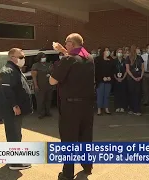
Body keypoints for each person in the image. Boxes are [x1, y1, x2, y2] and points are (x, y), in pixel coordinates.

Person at [50, 33, 94, 179]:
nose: (65, 44)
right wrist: (64, 52)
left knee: (69, 140)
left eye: (66, 42)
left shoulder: (68, 60)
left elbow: (52, 81)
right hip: (87, 105)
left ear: (72, 44)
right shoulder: (89, 58)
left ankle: (68, 173)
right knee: (85, 136)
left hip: (70, 106)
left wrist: (62, 57)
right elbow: (76, 59)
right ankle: (87, 166)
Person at [0, 48, 33, 170]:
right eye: (21, 57)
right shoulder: (8, 71)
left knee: (16, 134)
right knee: (14, 135)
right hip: (11, 110)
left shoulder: (14, 69)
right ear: (12, 57)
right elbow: (7, 90)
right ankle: (15, 163)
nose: (23, 59)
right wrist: (14, 105)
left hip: (14, 110)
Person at [31, 52, 54, 119]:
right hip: (40, 85)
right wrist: (36, 85)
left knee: (48, 99)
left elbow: (53, 72)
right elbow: (34, 76)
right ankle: (41, 113)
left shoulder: (49, 64)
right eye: (42, 57)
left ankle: (48, 112)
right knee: (40, 100)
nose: (44, 58)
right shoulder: (35, 65)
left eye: (45, 57)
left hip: (49, 85)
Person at [126, 45, 144, 116]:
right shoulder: (128, 58)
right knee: (131, 93)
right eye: (137, 49)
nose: (138, 50)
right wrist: (133, 77)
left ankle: (137, 109)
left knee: (138, 94)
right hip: (131, 79)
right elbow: (127, 69)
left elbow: (142, 68)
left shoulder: (140, 58)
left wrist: (141, 76)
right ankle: (131, 108)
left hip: (139, 77)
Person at [95, 48, 114, 115]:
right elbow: (97, 71)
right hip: (100, 81)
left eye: (108, 50)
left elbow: (113, 70)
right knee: (100, 95)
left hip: (108, 80)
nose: (108, 52)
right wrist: (102, 77)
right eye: (106, 50)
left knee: (107, 95)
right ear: (103, 52)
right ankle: (99, 109)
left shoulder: (111, 60)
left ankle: (106, 108)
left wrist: (110, 77)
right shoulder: (98, 60)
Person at [113, 48, 128, 113]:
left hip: (123, 79)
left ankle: (122, 106)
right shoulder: (114, 61)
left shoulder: (125, 61)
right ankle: (117, 106)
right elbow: (112, 71)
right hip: (116, 79)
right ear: (116, 53)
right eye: (119, 52)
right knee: (117, 93)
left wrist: (122, 78)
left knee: (123, 93)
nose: (120, 53)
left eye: (121, 52)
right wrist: (116, 78)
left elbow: (126, 70)